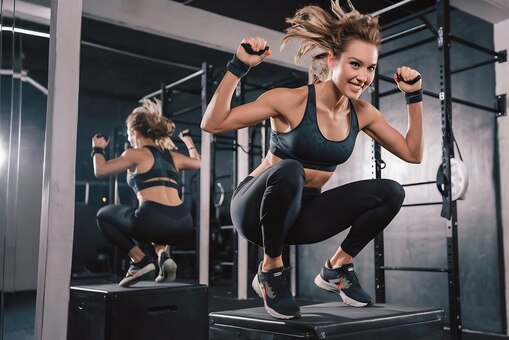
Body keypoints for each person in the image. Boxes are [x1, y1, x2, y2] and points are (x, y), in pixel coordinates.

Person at [201, 0, 424, 320]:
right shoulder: (290, 100)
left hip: (300, 217)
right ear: (333, 60)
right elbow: (213, 123)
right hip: (253, 209)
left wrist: (413, 97)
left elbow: (412, 154)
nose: (363, 76)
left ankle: (337, 267)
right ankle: (270, 270)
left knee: (391, 191)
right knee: (289, 169)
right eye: (355, 64)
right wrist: (239, 66)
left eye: (371, 68)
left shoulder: (364, 113)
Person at [92, 98, 201, 287]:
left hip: (154, 220)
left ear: (134, 132)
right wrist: (188, 141)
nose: (128, 139)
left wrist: (97, 148)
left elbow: (100, 170)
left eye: (128, 134)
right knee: (152, 222)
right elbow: (198, 163)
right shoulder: (173, 156)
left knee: (104, 216)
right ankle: (162, 255)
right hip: (184, 224)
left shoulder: (135, 154)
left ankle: (139, 261)